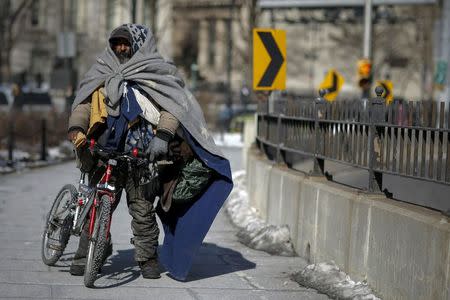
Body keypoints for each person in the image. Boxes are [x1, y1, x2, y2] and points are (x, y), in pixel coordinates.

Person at [68, 24, 233, 281]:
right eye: (116, 43)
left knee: (142, 210)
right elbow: (84, 104)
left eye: (126, 43)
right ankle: (86, 255)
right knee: (96, 208)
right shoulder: (101, 69)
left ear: (139, 44)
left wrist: (163, 136)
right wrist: (77, 128)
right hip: (105, 151)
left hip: (141, 156)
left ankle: (147, 258)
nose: (121, 48)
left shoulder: (157, 72)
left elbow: (173, 108)